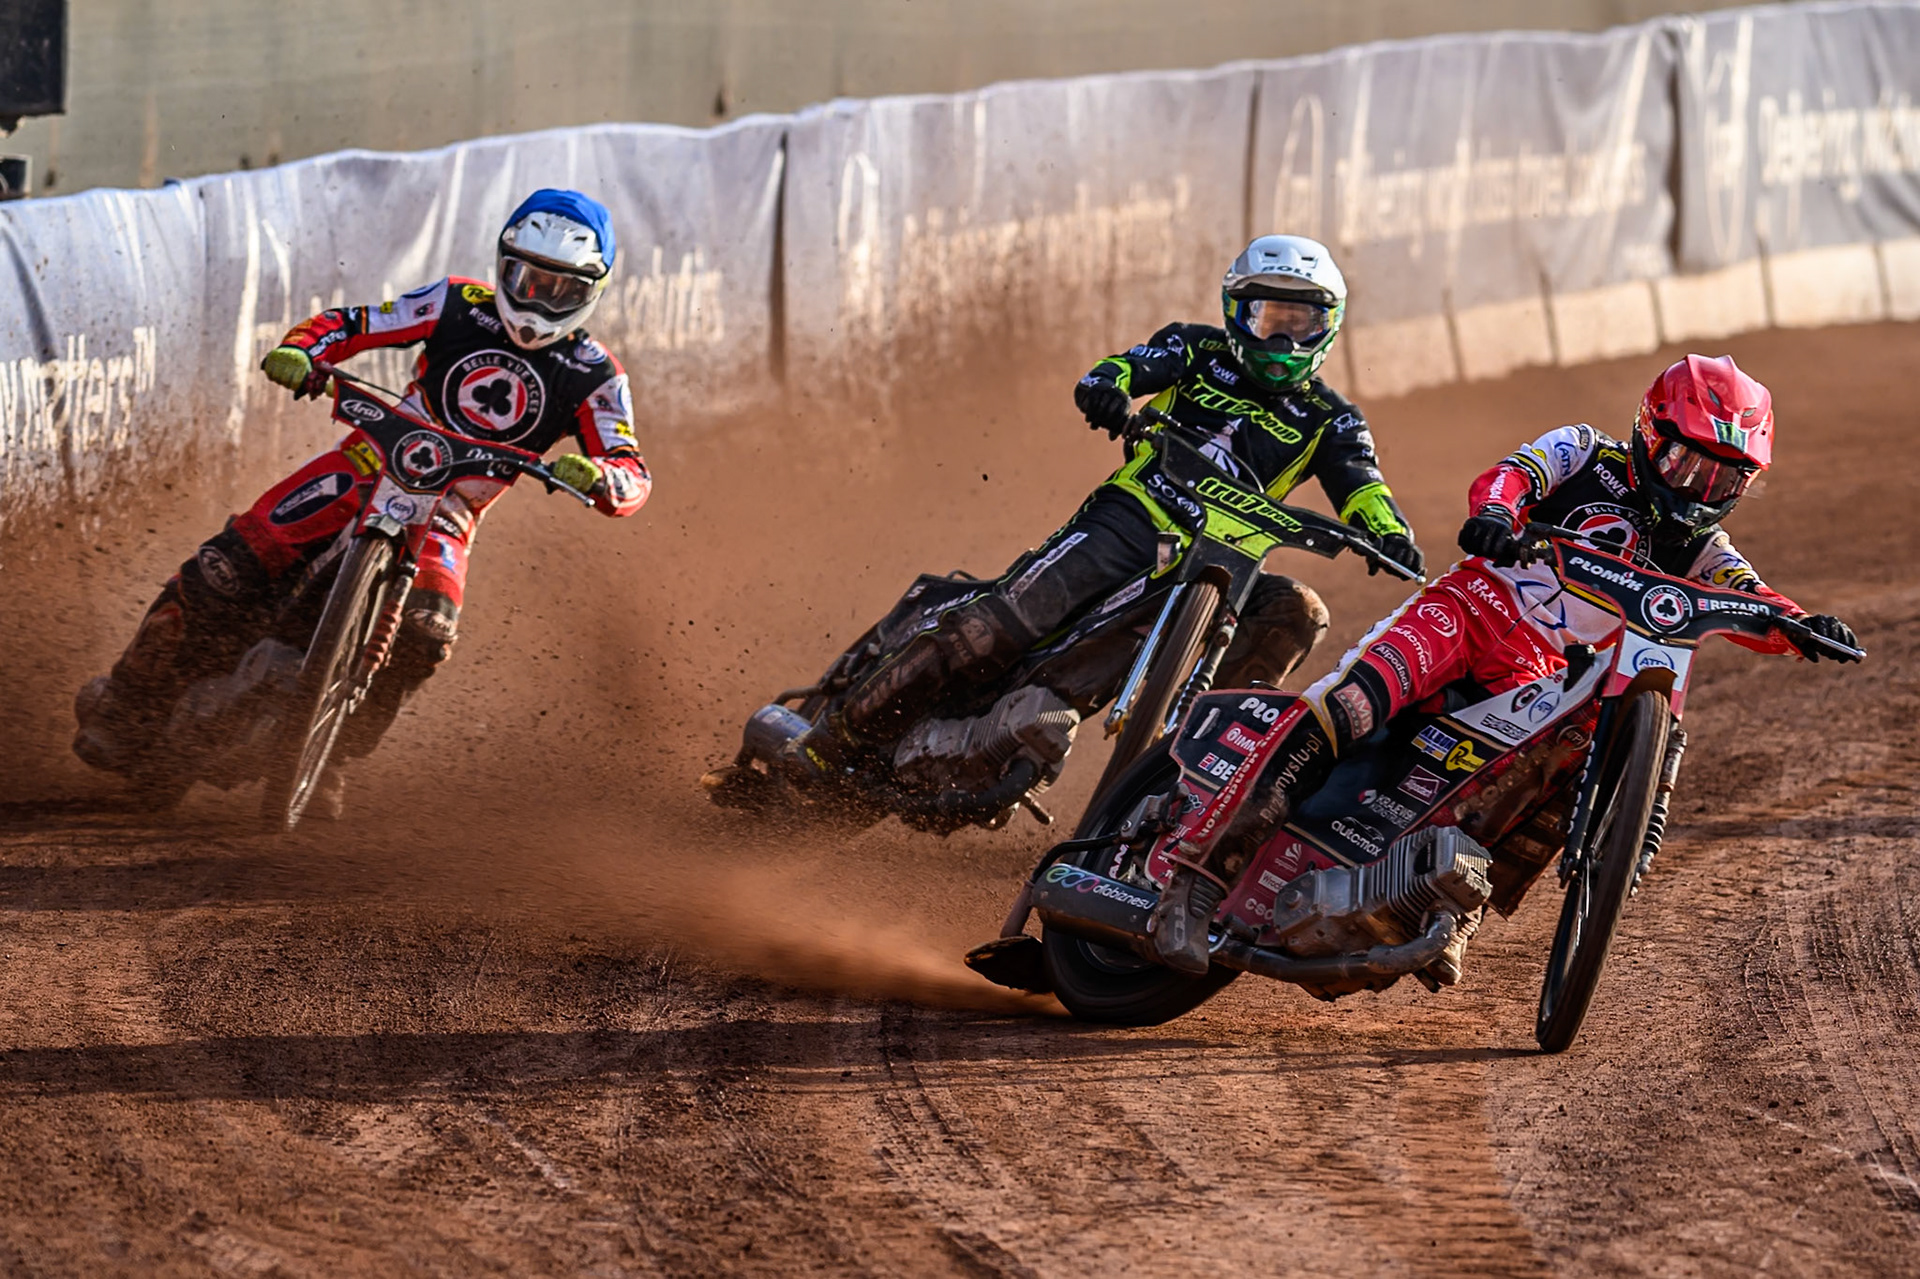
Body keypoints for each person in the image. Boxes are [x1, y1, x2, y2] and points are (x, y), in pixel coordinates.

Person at [1149, 353, 1860, 973]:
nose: (1696, 490)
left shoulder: (1705, 551)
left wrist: (1803, 625)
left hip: (1536, 666)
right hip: (1474, 605)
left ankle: (1447, 903)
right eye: (1686, 464)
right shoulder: (1584, 451)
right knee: (1348, 708)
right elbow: (1511, 477)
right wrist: (1497, 514)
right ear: (1650, 432)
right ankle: (1194, 882)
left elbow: (1752, 596)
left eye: (1722, 480)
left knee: (1544, 769)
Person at [73, 188, 652, 808]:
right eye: (526, 278)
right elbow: (358, 323)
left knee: (427, 632)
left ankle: (329, 758)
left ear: (590, 290)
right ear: (502, 266)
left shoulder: (595, 373)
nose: (536, 299)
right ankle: (130, 700)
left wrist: (600, 480)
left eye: (558, 288)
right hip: (365, 464)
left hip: (448, 514)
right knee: (228, 564)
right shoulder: (458, 302)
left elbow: (630, 467)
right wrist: (302, 350)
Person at [784, 233, 1422, 782]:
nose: (1282, 339)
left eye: (1300, 323)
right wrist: (1106, 392)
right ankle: (828, 745)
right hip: (1136, 518)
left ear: (1327, 328)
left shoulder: (1332, 419)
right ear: (1235, 313)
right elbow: (1120, 368)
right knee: (997, 626)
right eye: (1267, 319)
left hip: (1230, 559)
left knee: (1297, 611)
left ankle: (1180, 787)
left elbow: (1363, 486)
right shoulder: (1195, 350)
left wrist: (1389, 534)